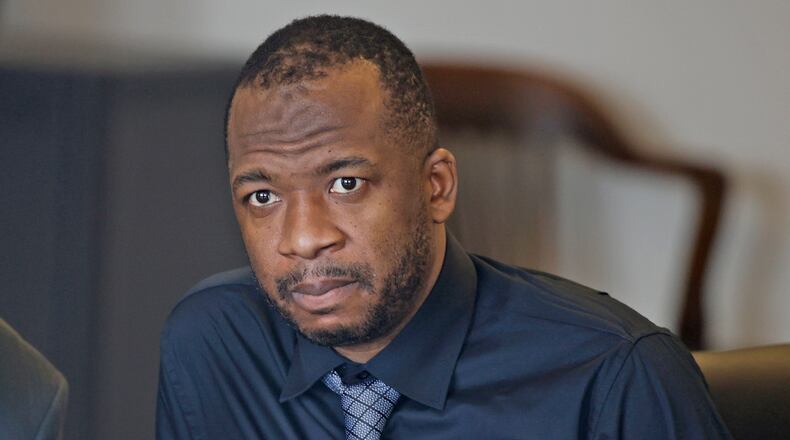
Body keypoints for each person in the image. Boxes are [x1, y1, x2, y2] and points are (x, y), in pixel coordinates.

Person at [156, 15, 731, 439]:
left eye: (346, 183)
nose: (303, 239)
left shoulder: (617, 378)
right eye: (262, 196)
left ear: (437, 186)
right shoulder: (217, 343)